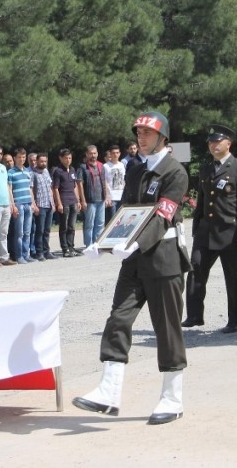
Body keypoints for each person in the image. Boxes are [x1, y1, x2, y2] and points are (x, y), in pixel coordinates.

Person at [74, 110, 191, 425]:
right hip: (134, 259)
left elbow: (162, 215)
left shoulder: (175, 172)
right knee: (118, 319)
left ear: (162, 137)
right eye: (138, 133)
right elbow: (127, 212)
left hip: (163, 257)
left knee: (166, 328)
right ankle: (108, 392)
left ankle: (172, 397)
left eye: (147, 134)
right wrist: (103, 242)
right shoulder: (137, 170)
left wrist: (136, 243)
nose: (141, 138)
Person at [182, 124, 237, 333]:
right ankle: (195, 315)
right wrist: (196, 226)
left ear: (228, 143)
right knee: (195, 268)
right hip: (206, 231)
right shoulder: (206, 168)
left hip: (230, 232)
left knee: (234, 277)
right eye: (210, 142)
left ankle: (236, 320)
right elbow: (203, 199)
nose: (213, 145)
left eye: (217, 141)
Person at [78, 145, 112, 247]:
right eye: (90, 153)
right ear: (87, 154)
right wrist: (82, 200)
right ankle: (89, 245)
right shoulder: (83, 168)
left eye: (94, 153)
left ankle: (97, 244)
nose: (93, 155)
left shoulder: (101, 166)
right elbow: (79, 184)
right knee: (89, 224)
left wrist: (107, 196)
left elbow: (104, 181)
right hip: (89, 200)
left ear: (97, 154)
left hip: (101, 199)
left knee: (100, 223)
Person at [8, 148, 36, 264]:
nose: (22, 159)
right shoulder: (11, 172)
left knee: (27, 232)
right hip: (18, 204)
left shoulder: (27, 172)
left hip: (28, 204)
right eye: (19, 157)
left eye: (23, 157)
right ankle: (19, 256)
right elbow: (9, 189)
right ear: (15, 158)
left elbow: (30, 189)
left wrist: (33, 202)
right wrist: (12, 205)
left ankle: (26, 254)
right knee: (19, 233)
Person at [53, 148, 82, 257]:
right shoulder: (58, 171)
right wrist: (59, 203)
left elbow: (75, 186)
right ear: (61, 158)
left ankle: (71, 246)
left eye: (70, 158)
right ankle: (65, 248)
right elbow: (55, 188)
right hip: (64, 201)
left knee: (72, 226)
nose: (68, 160)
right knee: (64, 226)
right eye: (66, 158)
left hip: (73, 201)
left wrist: (78, 200)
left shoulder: (73, 170)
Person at [30, 153, 56, 260]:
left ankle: (46, 251)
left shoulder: (46, 172)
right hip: (40, 205)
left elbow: (50, 187)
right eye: (42, 161)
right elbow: (31, 189)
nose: (44, 163)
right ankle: (39, 252)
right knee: (39, 230)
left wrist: (53, 202)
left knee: (47, 230)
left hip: (48, 204)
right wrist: (34, 204)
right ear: (36, 161)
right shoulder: (32, 173)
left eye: (45, 161)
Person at [103, 145, 125, 222]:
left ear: (120, 153)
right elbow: (104, 181)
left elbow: (123, 179)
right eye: (113, 153)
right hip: (112, 197)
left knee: (121, 219)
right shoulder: (106, 166)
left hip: (121, 195)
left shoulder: (122, 165)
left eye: (117, 153)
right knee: (112, 220)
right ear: (110, 154)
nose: (115, 155)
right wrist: (107, 196)